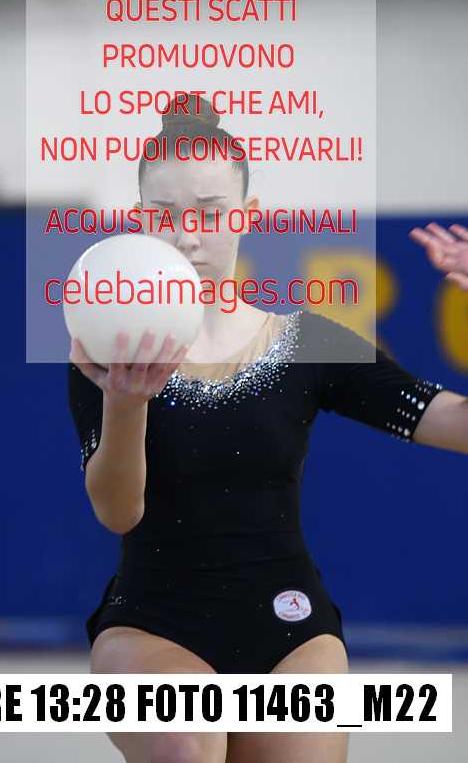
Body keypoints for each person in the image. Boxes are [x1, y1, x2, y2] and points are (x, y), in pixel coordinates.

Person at [68, 96, 468, 763]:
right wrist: (125, 403)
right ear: (139, 220)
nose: (187, 237)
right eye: (164, 215)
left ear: (247, 215)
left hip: (288, 623)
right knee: (183, 748)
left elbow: (455, 424)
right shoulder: (110, 346)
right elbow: (117, 512)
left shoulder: (304, 342)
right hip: (153, 621)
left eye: (209, 213)